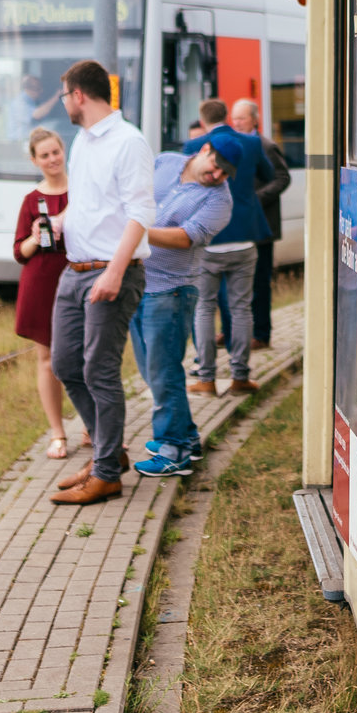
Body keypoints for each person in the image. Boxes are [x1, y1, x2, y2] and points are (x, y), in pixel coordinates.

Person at [48, 59, 154, 506]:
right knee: (66, 365)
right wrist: (62, 220)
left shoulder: (129, 143)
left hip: (112, 274)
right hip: (73, 272)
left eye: (63, 95)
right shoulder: (82, 141)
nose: (63, 104)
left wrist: (114, 269)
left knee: (100, 371)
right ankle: (109, 452)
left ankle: (107, 471)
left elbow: (141, 212)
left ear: (78, 96)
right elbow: (90, 200)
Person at [129, 141, 230, 478]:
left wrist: (136, 231)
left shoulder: (219, 200)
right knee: (151, 369)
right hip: (138, 282)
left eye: (225, 173)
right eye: (215, 165)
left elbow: (187, 238)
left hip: (172, 292)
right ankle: (186, 435)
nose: (216, 175)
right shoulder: (165, 162)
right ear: (204, 149)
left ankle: (173, 451)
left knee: (165, 371)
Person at [183, 98, 269, 394]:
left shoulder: (194, 145)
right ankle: (240, 377)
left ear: (203, 119)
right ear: (228, 116)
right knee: (242, 308)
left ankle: (206, 379)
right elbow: (270, 177)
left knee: (205, 308)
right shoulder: (251, 144)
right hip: (244, 237)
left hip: (208, 239)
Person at [8, 126, 74, 461]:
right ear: (35, 161)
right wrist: (35, 236)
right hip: (41, 283)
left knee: (87, 358)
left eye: (56, 152)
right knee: (47, 360)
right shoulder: (31, 201)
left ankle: (94, 428)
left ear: (64, 151)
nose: (52, 159)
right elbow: (20, 251)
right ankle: (58, 433)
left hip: (78, 277)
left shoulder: (82, 190)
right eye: (44, 155)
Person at [229, 97, 289, 347]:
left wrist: (257, 198)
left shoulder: (266, 145)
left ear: (255, 119)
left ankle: (261, 335)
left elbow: (283, 178)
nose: (237, 123)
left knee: (259, 282)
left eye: (242, 118)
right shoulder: (232, 144)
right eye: (234, 118)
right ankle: (237, 331)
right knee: (236, 283)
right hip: (239, 226)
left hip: (262, 226)